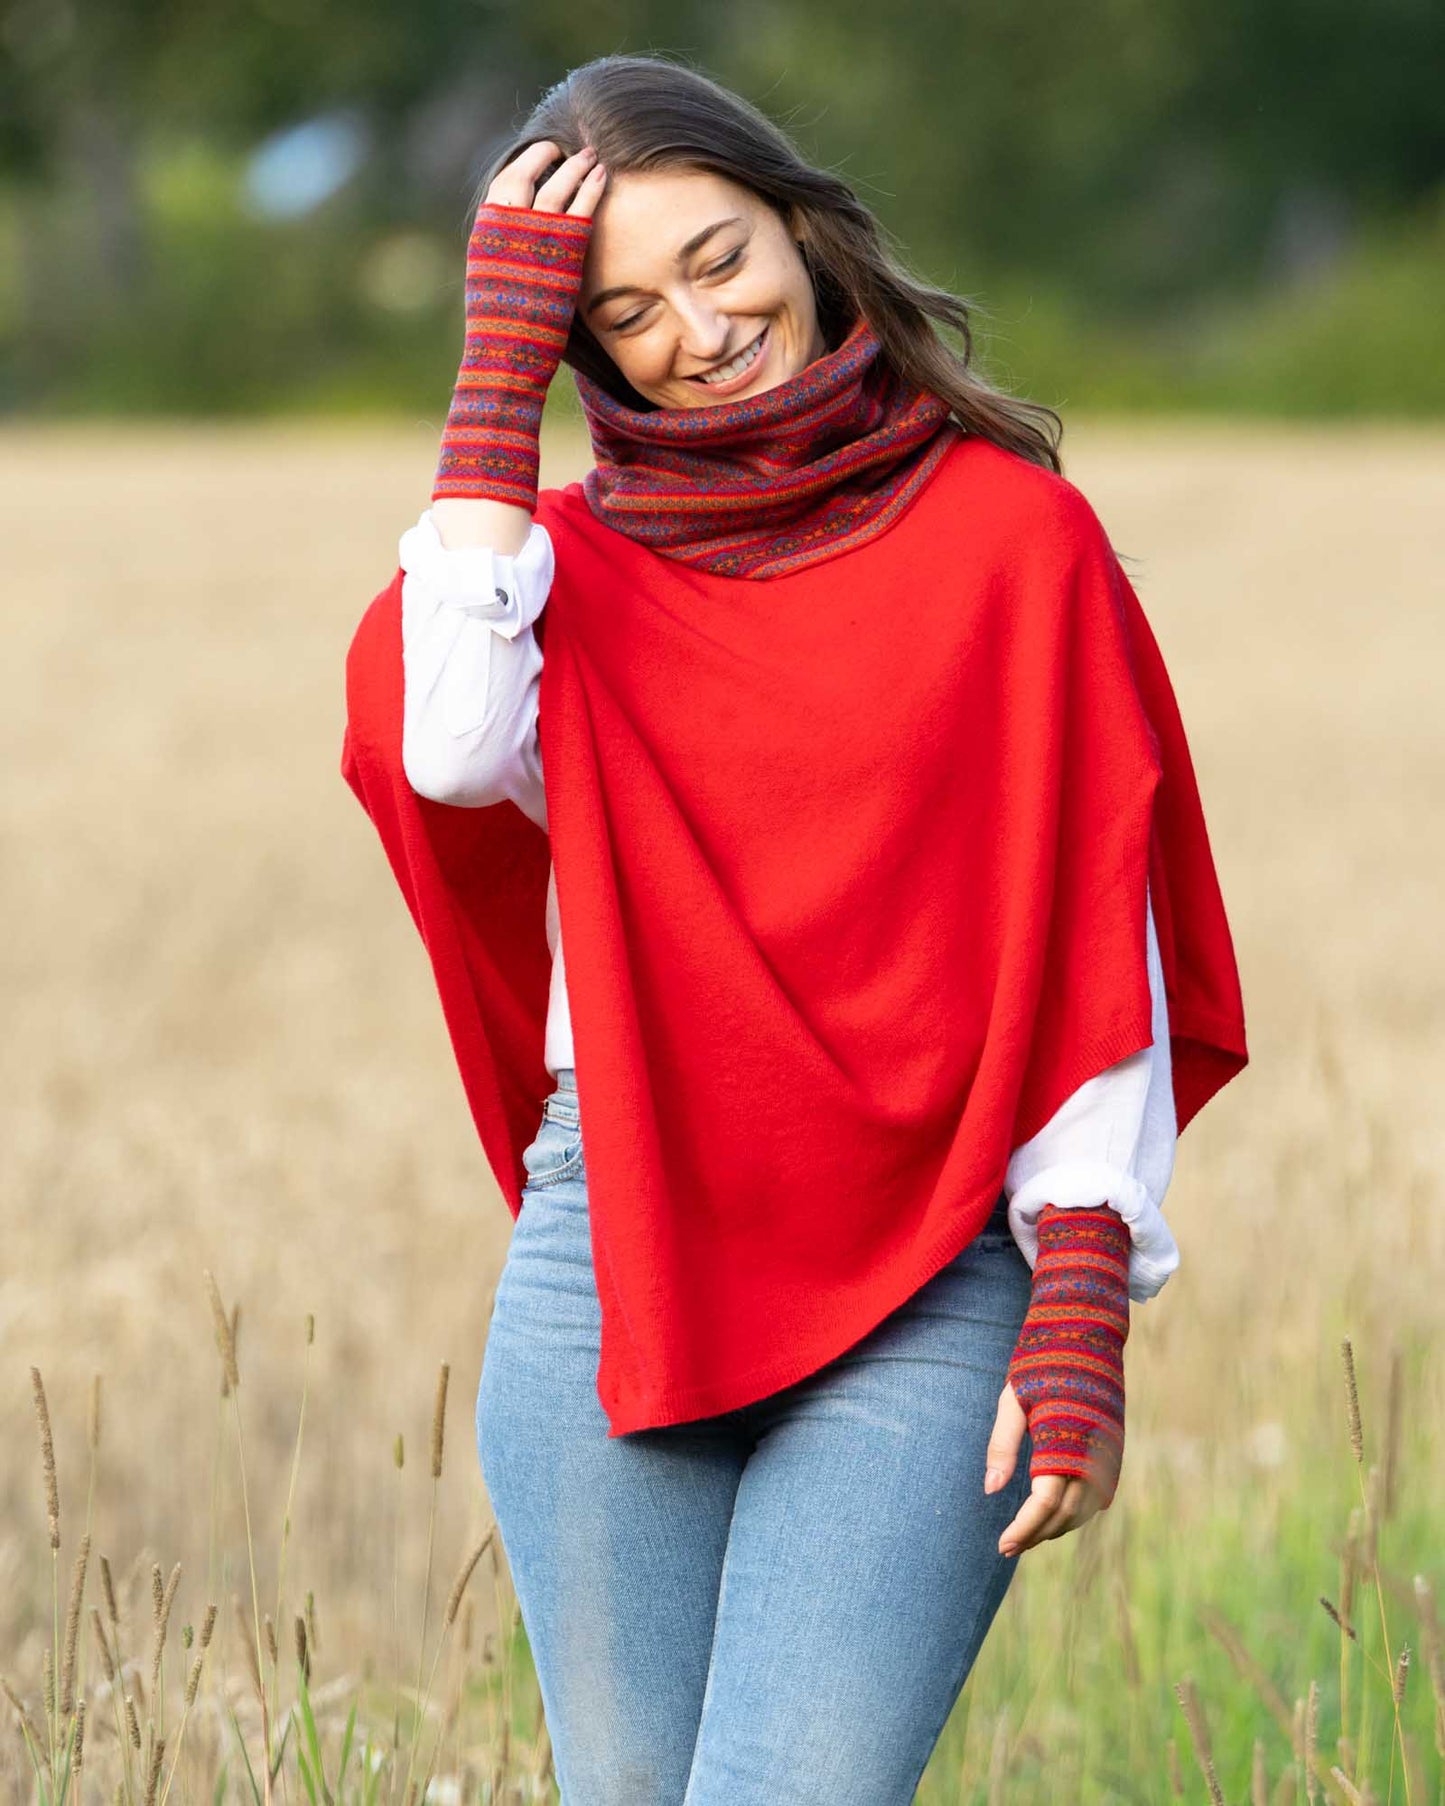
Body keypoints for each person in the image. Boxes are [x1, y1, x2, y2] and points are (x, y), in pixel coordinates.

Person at [341, 53, 1248, 1805]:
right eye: (617, 310)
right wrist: (486, 399)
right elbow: (441, 747)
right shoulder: (553, 576)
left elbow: (1090, 919)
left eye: (716, 257)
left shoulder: (1013, 538)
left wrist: (1080, 1294)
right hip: (615, 1247)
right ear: (573, 349)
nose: (695, 325)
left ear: (801, 229)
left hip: (934, 1273)